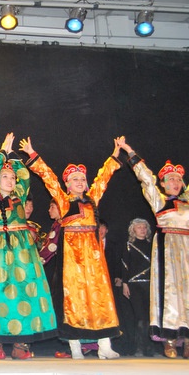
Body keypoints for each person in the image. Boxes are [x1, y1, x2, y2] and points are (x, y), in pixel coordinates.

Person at [20, 135, 122, 360]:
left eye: (82, 179)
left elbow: (103, 179)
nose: (79, 182)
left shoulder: (92, 199)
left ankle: (104, 344)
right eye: (74, 179)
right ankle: (75, 345)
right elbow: (49, 179)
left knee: (100, 296)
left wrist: (114, 156)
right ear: (67, 184)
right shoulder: (64, 201)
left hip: (93, 257)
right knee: (74, 298)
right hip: (72, 258)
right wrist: (33, 155)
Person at [0, 133, 58, 360]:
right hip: (0, 245)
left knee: (25, 288)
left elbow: (25, 176)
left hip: (22, 247)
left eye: (12, 178)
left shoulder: (20, 196)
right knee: (1, 291)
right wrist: (2, 154)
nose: (10, 180)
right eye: (5, 177)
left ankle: (20, 342)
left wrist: (14, 157)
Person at [118, 139, 189, 359]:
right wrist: (130, 152)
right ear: (164, 184)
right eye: (170, 179)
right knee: (169, 292)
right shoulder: (159, 201)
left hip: (187, 248)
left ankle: (187, 340)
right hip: (169, 249)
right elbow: (146, 179)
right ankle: (170, 340)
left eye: (178, 179)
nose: (175, 182)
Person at [121, 218, 154, 357]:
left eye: (144, 227)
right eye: (139, 227)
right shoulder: (129, 245)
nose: (142, 230)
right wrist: (125, 284)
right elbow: (125, 266)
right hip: (134, 284)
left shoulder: (153, 245)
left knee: (149, 317)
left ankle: (148, 347)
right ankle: (139, 347)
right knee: (140, 316)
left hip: (151, 284)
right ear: (133, 230)